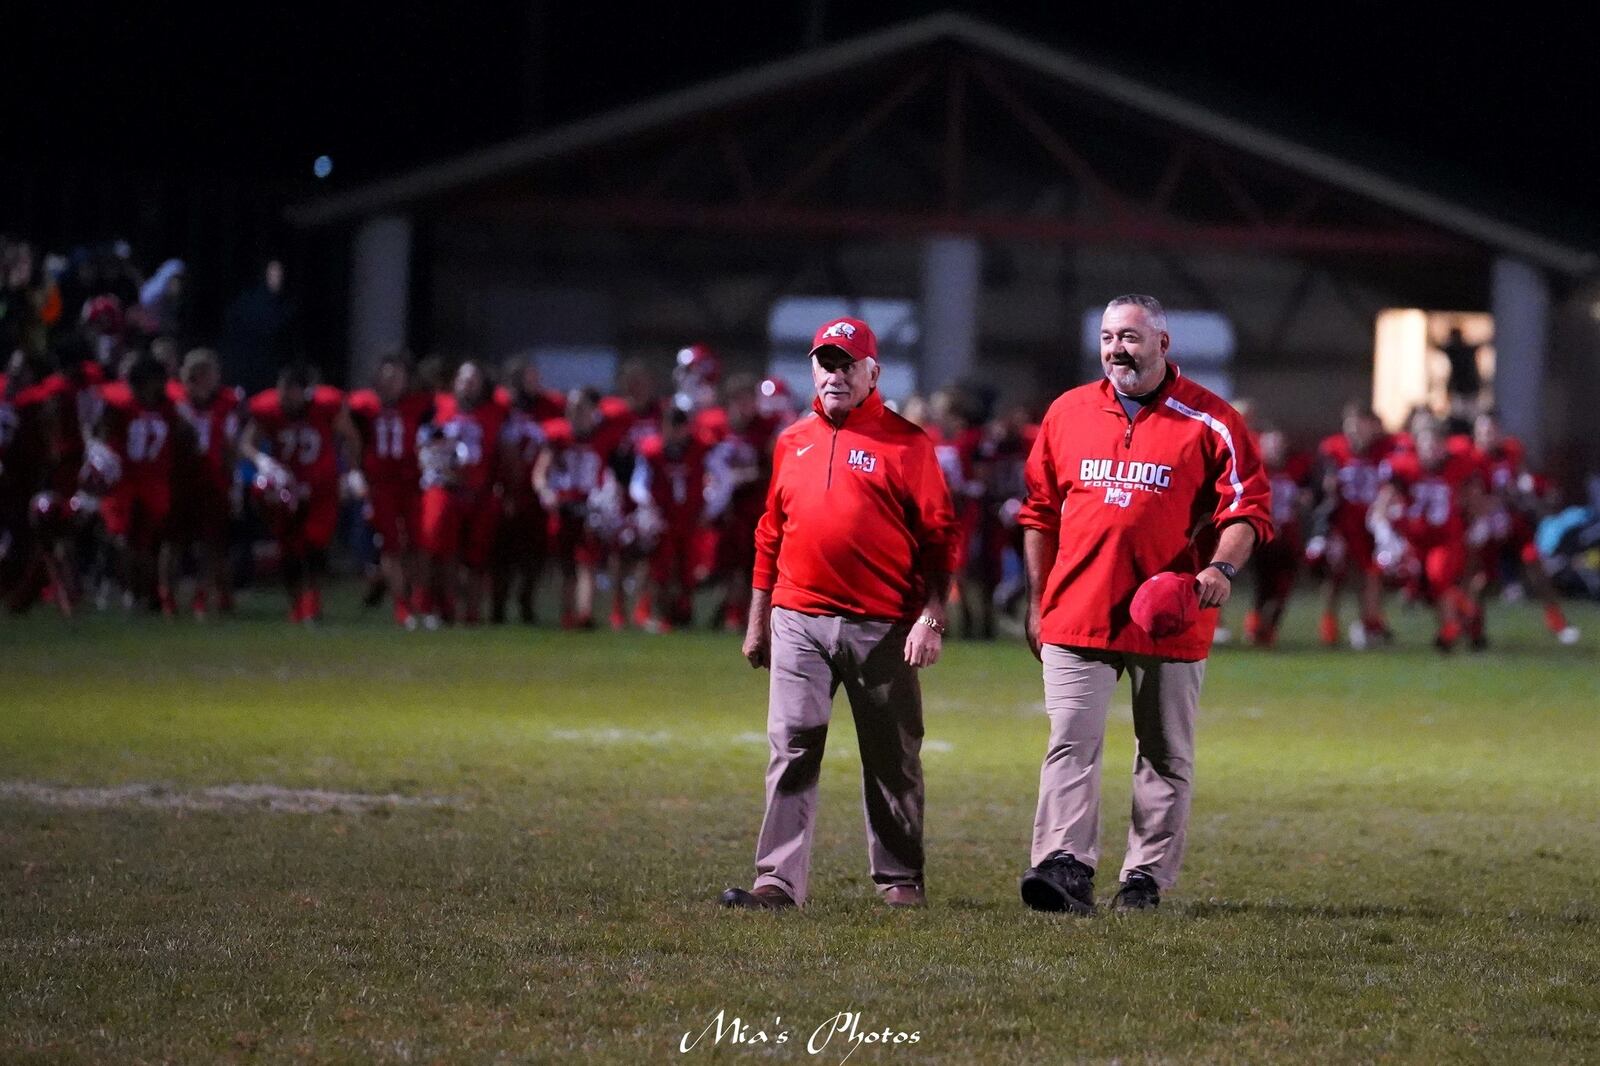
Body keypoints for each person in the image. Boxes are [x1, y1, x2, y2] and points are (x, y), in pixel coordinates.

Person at [1017, 294, 1272, 914]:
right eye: (1107, 337)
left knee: (1163, 754)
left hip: (1170, 613)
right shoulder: (1067, 412)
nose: (1116, 349)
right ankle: (1064, 866)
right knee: (1069, 745)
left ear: (1163, 344)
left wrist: (1220, 567)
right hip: (1077, 608)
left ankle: (1144, 878)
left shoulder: (1212, 420)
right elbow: (1039, 513)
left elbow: (1249, 510)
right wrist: (1037, 599)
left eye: (1129, 337)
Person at [719, 316, 956, 911]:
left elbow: (940, 539)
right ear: (812, 370)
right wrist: (758, 618)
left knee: (891, 754)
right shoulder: (792, 440)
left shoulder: (908, 443)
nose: (835, 374)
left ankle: (900, 879)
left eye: (848, 363)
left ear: (872, 371)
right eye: (826, 362)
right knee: (792, 745)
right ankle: (777, 881)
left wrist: (932, 616)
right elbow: (769, 533)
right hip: (798, 615)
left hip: (883, 623)